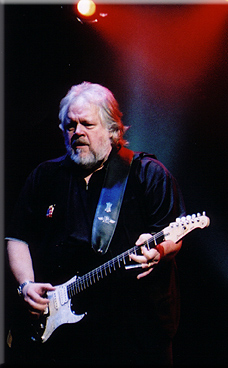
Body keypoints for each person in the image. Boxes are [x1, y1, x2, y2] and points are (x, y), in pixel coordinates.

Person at [5, 82, 186, 365]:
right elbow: (17, 237)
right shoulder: (45, 176)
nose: (77, 132)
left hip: (133, 332)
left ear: (113, 130)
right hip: (61, 334)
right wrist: (26, 284)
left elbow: (173, 234)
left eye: (87, 124)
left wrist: (159, 252)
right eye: (70, 125)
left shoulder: (147, 174)